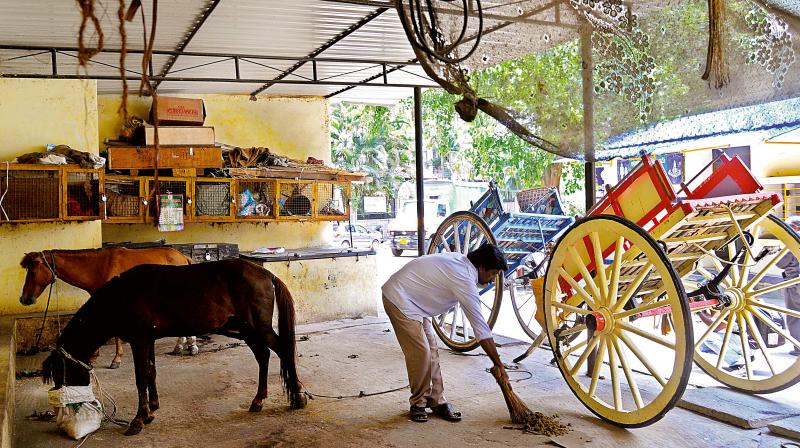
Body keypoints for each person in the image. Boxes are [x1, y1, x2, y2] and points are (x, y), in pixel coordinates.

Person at [381, 243, 511, 422]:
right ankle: (418, 403)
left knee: (432, 352)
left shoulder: (463, 265)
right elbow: (481, 328)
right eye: (493, 273)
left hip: (417, 303)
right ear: (482, 267)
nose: (492, 279)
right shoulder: (464, 278)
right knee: (421, 353)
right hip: (399, 297)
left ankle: (437, 401)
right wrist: (498, 363)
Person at [777, 216, 800, 356]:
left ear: (795, 227)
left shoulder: (793, 241)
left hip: (795, 283)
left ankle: (798, 347)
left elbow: (780, 263)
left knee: (794, 316)